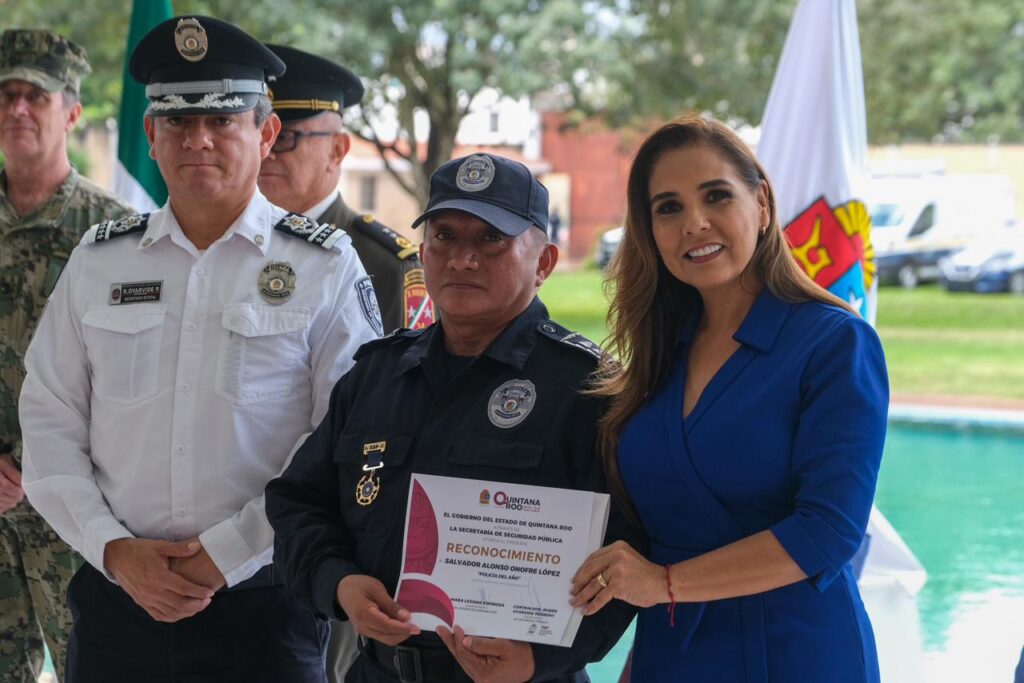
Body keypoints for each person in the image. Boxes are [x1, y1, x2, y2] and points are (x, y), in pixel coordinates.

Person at [18, 16, 381, 683]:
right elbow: (48, 419)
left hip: (266, 606)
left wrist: (227, 552)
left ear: (265, 132)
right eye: (178, 123)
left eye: (223, 120)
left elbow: (348, 437)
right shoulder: (100, 261)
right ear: (151, 136)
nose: (200, 140)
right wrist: (115, 549)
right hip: (116, 604)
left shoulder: (325, 267)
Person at [266, 152, 642, 683]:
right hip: (379, 671)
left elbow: (632, 545)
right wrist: (340, 582)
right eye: (444, 236)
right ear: (423, 252)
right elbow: (298, 501)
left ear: (545, 263)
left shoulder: (589, 389)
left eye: (492, 239)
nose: (463, 259)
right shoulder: (377, 376)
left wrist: (544, 658)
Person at [569, 115, 888, 683]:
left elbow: (829, 530)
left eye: (716, 196)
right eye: (668, 208)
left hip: (795, 653)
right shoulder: (659, 355)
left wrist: (663, 586)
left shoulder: (835, 343)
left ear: (761, 203)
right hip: (673, 652)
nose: (694, 223)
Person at [0, 28, 132, 682]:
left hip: (76, 513)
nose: (19, 108)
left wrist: (38, 467)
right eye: (7, 94)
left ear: (72, 112)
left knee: (94, 667)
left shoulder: (113, 237)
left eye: (38, 95)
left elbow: (135, 375)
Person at [259, 44, 434, 335]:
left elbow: (405, 378)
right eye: (260, 137)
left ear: (337, 150)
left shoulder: (387, 265)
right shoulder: (230, 243)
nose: (266, 153)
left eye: (285, 138)